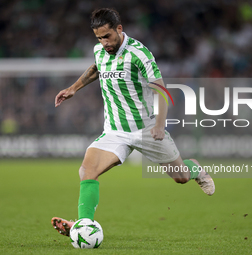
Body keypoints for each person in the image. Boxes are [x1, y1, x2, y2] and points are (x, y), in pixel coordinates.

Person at [51, 8, 215, 236]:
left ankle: (195, 168)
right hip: (115, 131)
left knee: (181, 177)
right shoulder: (100, 51)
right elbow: (96, 69)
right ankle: (83, 225)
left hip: (147, 129)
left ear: (119, 29)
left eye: (107, 36)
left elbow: (161, 90)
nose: (104, 42)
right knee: (87, 171)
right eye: (99, 37)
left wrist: (159, 124)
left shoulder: (140, 54)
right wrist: (73, 89)